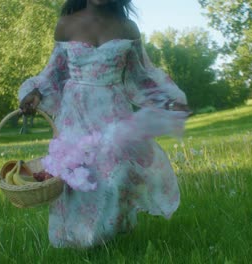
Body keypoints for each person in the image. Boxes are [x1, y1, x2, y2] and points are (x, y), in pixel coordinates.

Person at [18, 0, 190, 248]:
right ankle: (77, 241)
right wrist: (35, 93)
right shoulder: (66, 24)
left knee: (113, 174)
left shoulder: (127, 28)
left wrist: (168, 101)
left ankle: (108, 237)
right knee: (77, 173)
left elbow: (140, 76)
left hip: (113, 111)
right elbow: (54, 73)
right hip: (74, 112)